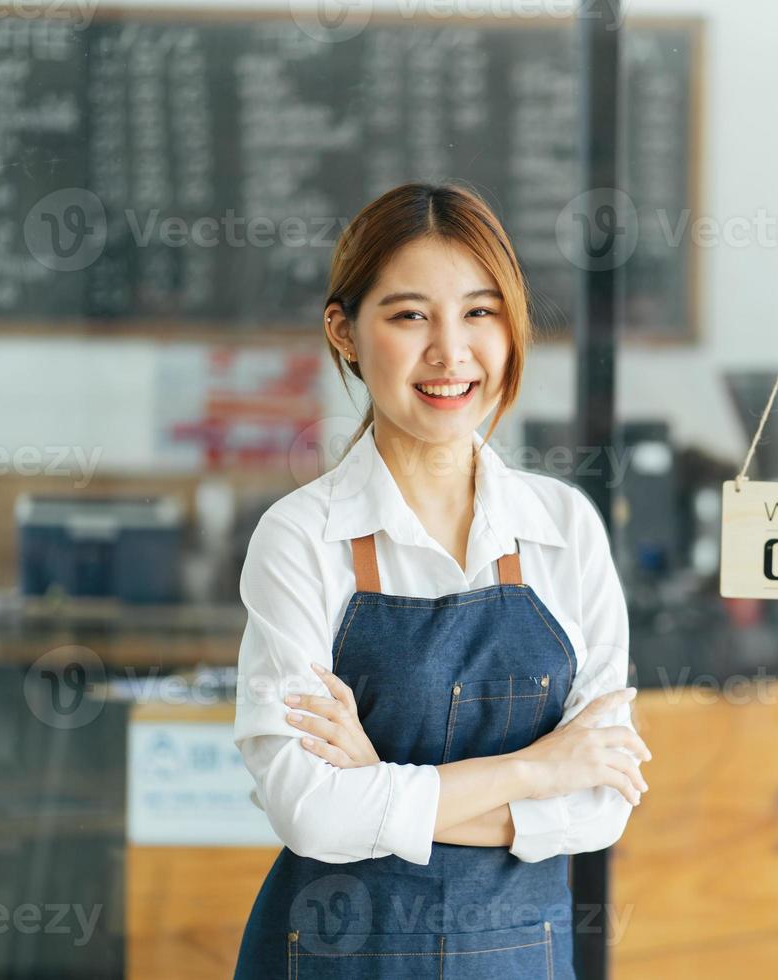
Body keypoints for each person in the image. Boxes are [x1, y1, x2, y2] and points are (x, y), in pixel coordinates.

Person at [231, 182, 650, 979]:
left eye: (480, 313)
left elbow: (601, 804)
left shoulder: (564, 529)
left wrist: (379, 788)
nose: (451, 353)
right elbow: (310, 811)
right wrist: (536, 770)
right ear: (344, 332)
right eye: (410, 314)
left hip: (522, 959)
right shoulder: (302, 539)